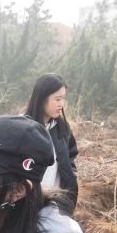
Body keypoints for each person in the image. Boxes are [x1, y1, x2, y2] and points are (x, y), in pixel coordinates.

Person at [25, 73, 78, 213]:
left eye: (63, 98)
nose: (61, 104)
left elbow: (71, 158)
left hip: (54, 205)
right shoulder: (24, 129)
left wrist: (71, 179)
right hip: (28, 205)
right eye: (57, 99)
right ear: (42, 98)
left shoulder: (62, 129)